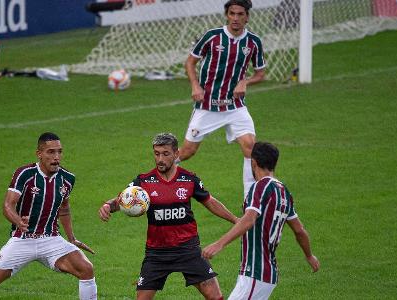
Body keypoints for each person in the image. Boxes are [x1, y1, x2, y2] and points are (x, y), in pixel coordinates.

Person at [98, 133, 238, 300]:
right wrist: (108, 205)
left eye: (165, 154)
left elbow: (210, 201)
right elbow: (124, 199)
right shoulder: (144, 181)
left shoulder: (189, 179)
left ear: (176, 154)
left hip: (188, 249)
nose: (160, 159)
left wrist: (236, 220)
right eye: (156, 154)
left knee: (215, 295)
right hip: (157, 253)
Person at [0, 132, 97, 300]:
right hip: (22, 239)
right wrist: (18, 221)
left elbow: (64, 207)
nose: (56, 157)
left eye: (59, 151)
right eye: (51, 152)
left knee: (86, 269)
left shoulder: (68, 178)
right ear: (39, 154)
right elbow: (8, 205)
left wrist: (71, 238)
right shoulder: (25, 174)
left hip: (51, 239)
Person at [202, 142, 319, 300]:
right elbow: (299, 231)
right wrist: (309, 256)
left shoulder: (260, 187)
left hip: (256, 272)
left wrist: (219, 244)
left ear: (254, 162)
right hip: (266, 273)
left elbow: (249, 219)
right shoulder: (284, 192)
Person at [180, 0, 266, 197]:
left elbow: (261, 73)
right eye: (232, 14)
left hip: (235, 107)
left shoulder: (253, 42)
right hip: (207, 105)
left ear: (247, 17)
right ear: (227, 15)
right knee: (187, 152)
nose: (236, 18)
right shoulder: (212, 37)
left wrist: (246, 81)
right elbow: (190, 62)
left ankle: (249, 200)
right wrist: (195, 85)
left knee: (250, 147)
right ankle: (154, 179)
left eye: (240, 14)